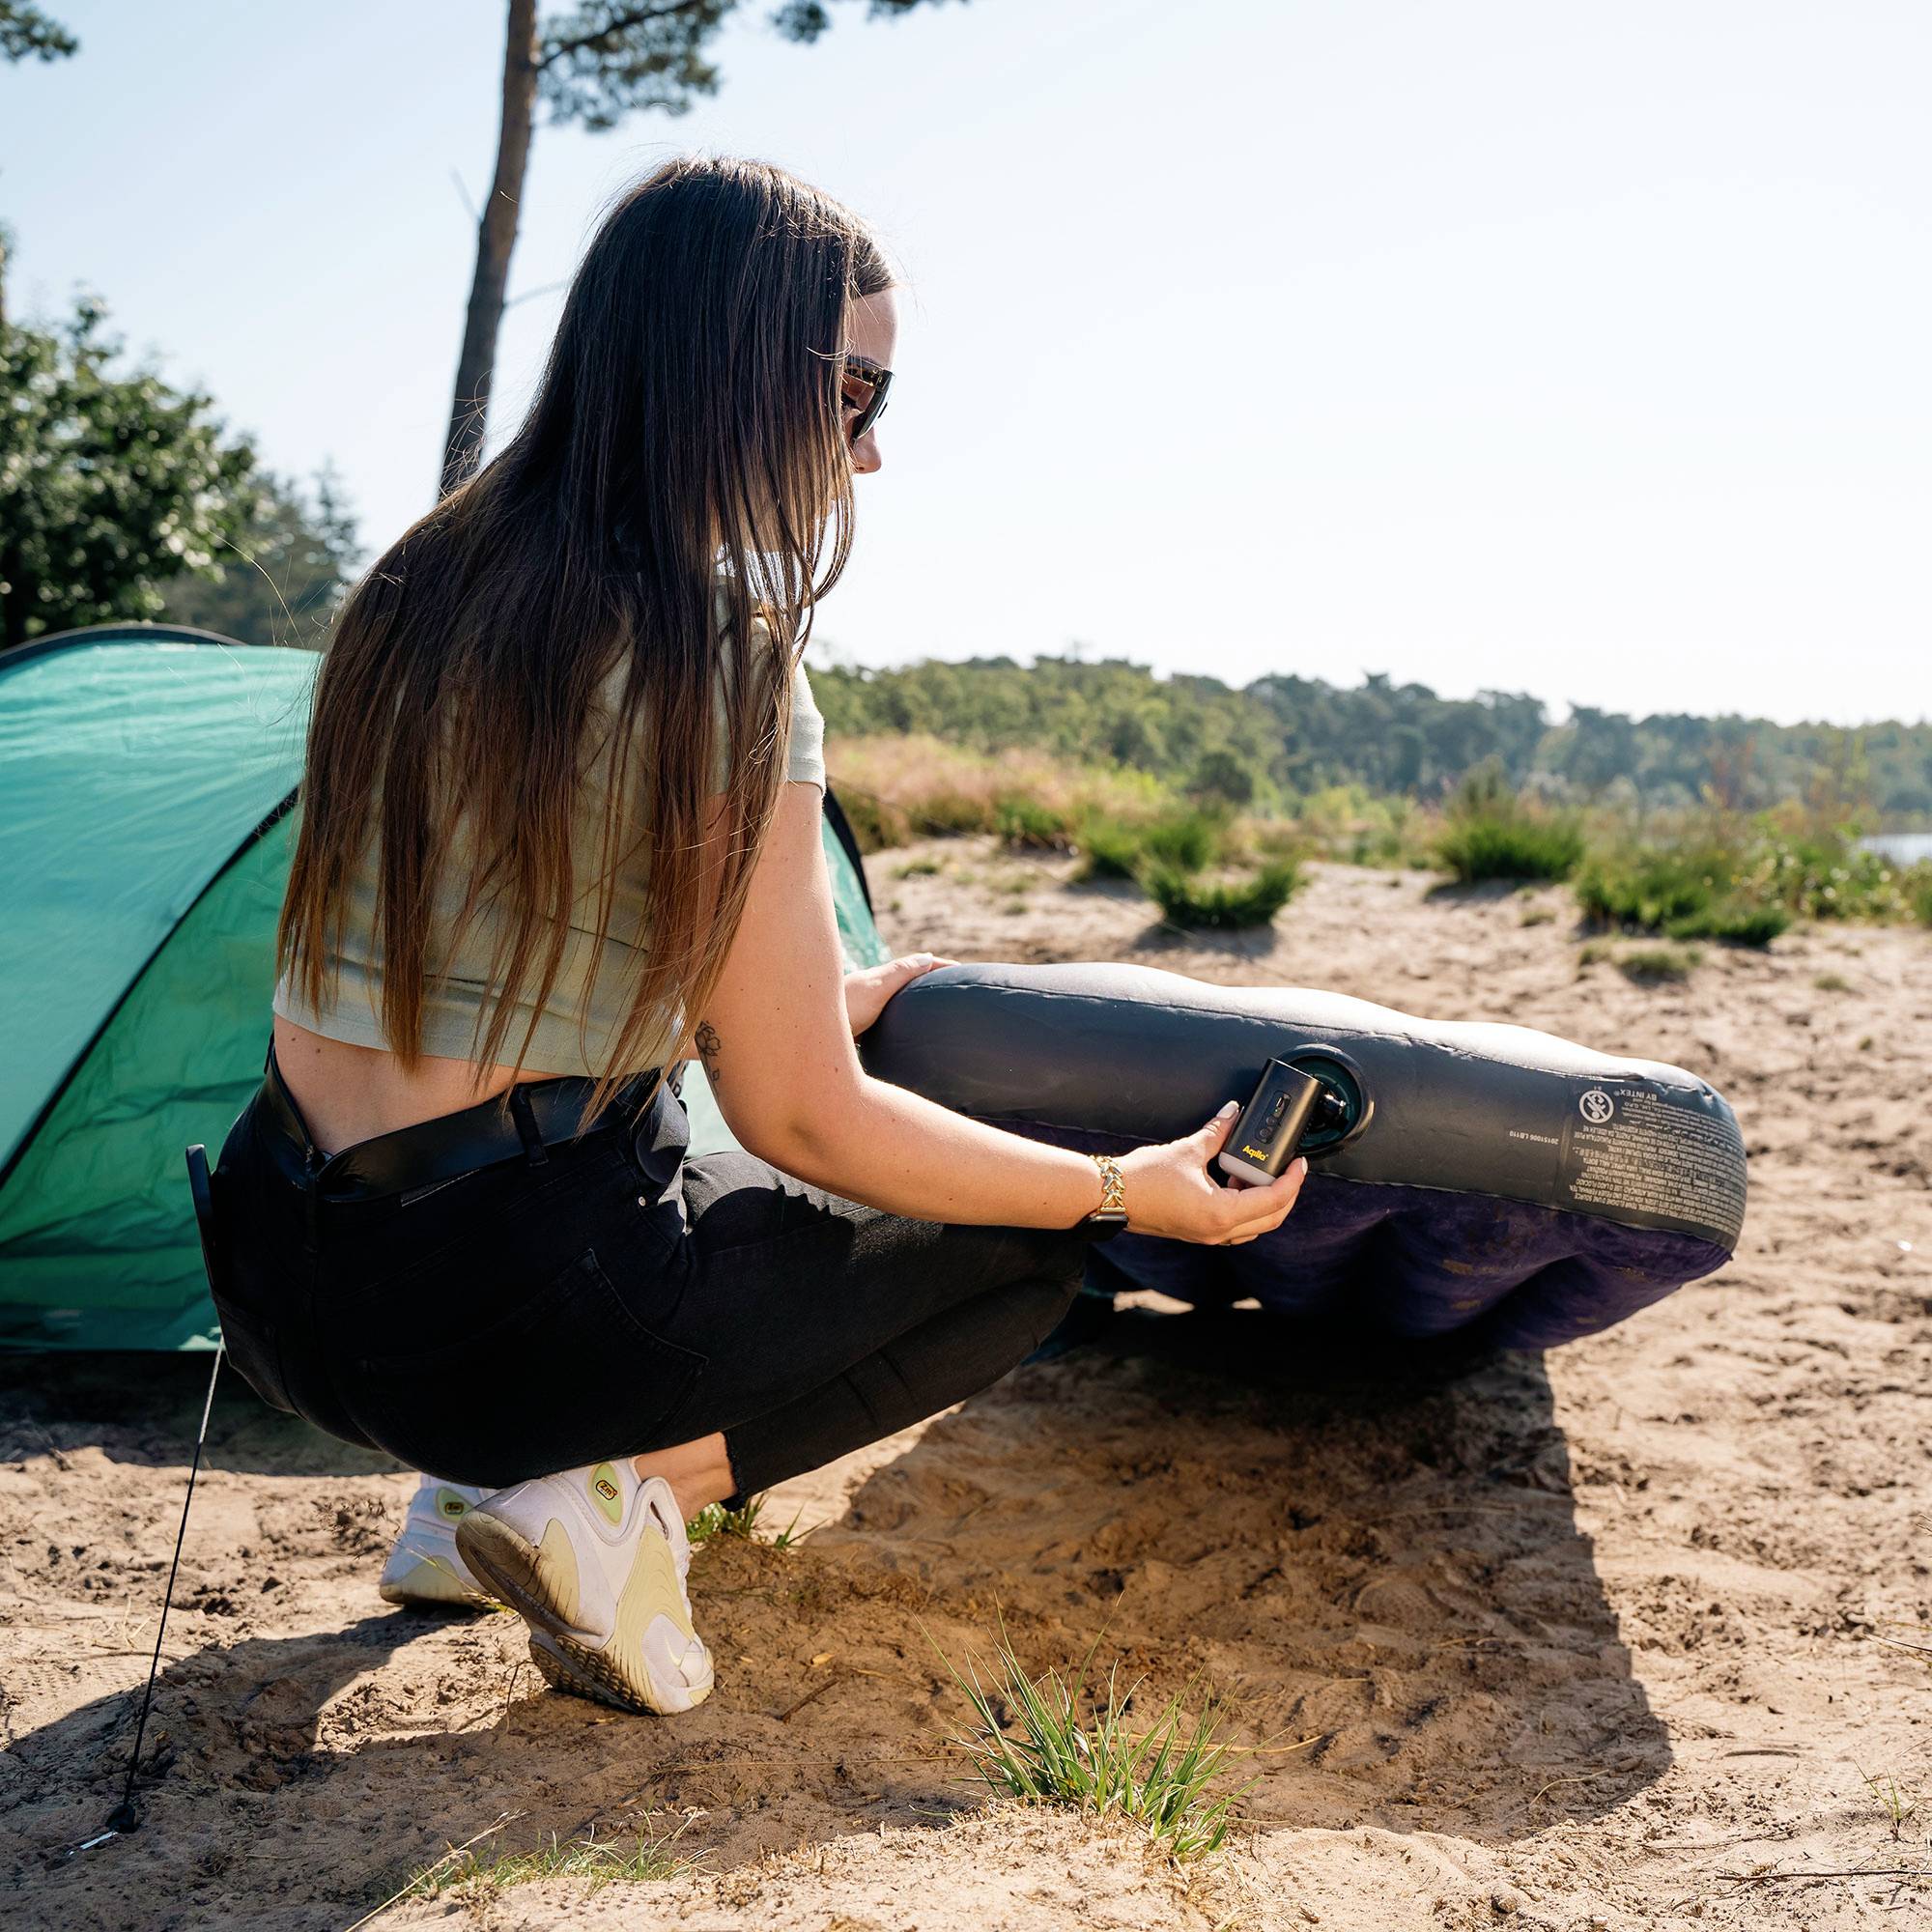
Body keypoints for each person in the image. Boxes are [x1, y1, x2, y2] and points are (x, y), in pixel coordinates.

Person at [210, 155, 1307, 1719]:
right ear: (731, 370)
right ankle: (604, 1495)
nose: (870, 449)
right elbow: (807, 1119)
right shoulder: (721, 663)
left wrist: (800, 991)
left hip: (278, 1287)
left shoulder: (416, 583)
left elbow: (494, 952)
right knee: (1032, 1254)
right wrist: (1133, 1191)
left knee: (643, 1130)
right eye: (854, 392)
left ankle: (476, 1503)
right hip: (484, 1330)